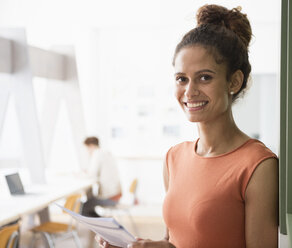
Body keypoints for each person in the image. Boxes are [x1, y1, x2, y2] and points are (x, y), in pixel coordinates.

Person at [96, 4, 278, 248]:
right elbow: (174, 241)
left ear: (234, 81)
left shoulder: (258, 165)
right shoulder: (174, 158)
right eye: (181, 79)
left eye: (205, 77)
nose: (189, 91)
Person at [82, 136, 122, 217]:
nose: (87, 151)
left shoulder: (97, 153)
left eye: (87, 148)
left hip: (111, 197)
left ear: (91, 146)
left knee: (84, 206)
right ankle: (100, 224)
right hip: (116, 193)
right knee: (89, 201)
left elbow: (91, 174)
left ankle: (100, 225)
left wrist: (79, 175)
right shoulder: (106, 153)